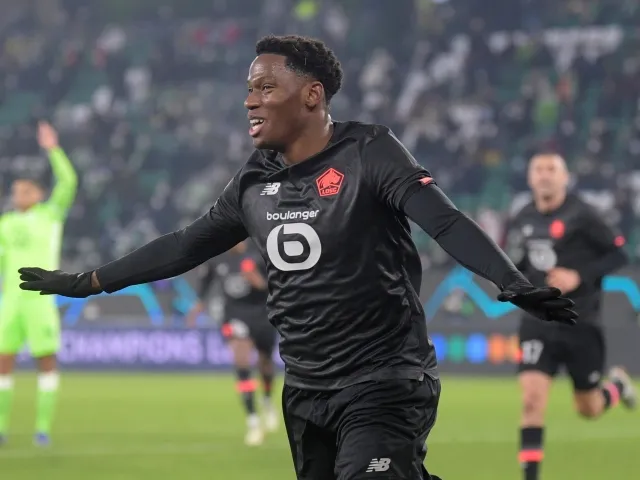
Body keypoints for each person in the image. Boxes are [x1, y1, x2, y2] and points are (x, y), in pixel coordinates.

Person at [18, 36, 576, 479]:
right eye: (249, 89)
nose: (250, 100)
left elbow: (445, 221)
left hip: (385, 379)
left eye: (266, 87)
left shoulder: (368, 151)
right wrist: (89, 281)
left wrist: (510, 281)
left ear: (311, 95)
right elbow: (185, 245)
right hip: (306, 390)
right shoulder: (253, 180)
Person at [506, 153, 636, 480]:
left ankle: (616, 387)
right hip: (537, 322)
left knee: (588, 408)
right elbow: (517, 262)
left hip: (581, 322)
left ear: (565, 178)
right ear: (530, 178)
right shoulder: (522, 217)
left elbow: (619, 254)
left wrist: (579, 276)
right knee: (532, 401)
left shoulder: (584, 215)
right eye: (538, 169)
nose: (545, 175)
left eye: (552, 169)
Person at [0, 122, 78, 447]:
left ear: (38, 194)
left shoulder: (50, 215)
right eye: (15, 191)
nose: (18, 195)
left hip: (41, 299)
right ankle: (2, 428)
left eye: (24, 191)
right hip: (11, 302)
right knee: (3, 362)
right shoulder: (5, 223)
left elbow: (69, 181)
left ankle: (42, 428)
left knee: (45, 361)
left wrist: (52, 149)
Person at [186, 240, 278, 446]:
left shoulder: (259, 252)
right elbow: (206, 283)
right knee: (241, 361)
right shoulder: (217, 258)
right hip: (235, 315)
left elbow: (275, 287)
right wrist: (197, 308)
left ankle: (267, 400)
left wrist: (258, 282)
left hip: (262, 315)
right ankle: (253, 421)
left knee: (265, 363)